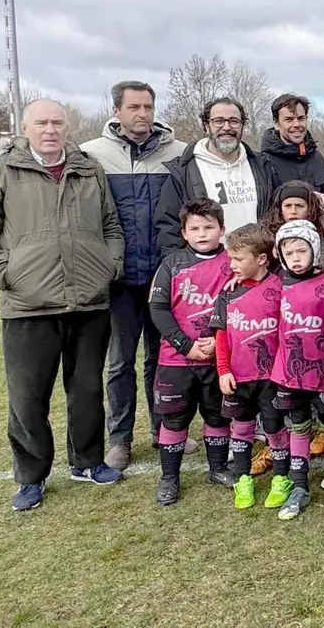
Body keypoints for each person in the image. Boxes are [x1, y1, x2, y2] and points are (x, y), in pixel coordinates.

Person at [0, 98, 125, 511]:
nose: (50, 130)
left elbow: (110, 225)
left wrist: (110, 266)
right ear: (25, 127)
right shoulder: (2, 170)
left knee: (86, 390)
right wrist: (7, 272)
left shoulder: (89, 169)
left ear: (67, 127)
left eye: (57, 122)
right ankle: (31, 476)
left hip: (89, 302)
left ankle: (87, 461)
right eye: (41, 123)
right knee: (28, 397)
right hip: (28, 307)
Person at [83, 80, 190, 469]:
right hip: (120, 278)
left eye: (148, 106)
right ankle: (119, 437)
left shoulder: (178, 154)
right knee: (120, 361)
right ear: (117, 111)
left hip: (163, 275)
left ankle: (164, 429)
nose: (142, 114)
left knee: (161, 359)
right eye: (134, 107)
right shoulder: (92, 155)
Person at [150, 199, 235, 506]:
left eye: (209, 227)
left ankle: (218, 468)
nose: (202, 233)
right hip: (176, 359)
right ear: (183, 232)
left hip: (218, 356)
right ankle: (169, 478)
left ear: (222, 230)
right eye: (195, 228)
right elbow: (157, 309)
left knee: (217, 414)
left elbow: (242, 305)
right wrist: (185, 345)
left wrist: (216, 342)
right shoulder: (171, 265)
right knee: (174, 419)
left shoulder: (233, 263)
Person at [267, 220, 324, 520]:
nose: (296, 258)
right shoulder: (274, 284)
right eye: (289, 252)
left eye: (302, 250)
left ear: (315, 249)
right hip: (289, 372)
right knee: (298, 424)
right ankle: (298, 484)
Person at [207, 223, 280, 511]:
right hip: (238, 377)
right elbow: (221, 334)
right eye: (230, 259)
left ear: (262, 259)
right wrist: (223, 369)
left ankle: (281, 479)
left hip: (271, 378)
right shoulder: (228, 293)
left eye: (238, 259)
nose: (232, 266)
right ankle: (243, 479)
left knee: (275, 428)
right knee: (241, 428)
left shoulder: (280, 287)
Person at [155, 96, 280, 258]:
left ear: (242, 126)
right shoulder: (183, 171)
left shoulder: (262, 166)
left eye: (234, 121)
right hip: (208, 269)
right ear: (207, 126)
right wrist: (181, 268)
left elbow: (278, 214)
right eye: (219, 121)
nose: (227, 127)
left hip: (258, 267)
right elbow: (169, 228)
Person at [259, 93, 324, 194]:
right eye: (289, 119)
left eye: (301, 118)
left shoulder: (322, 161)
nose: (296, 124)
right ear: (276, 123)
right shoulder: (264, 164)